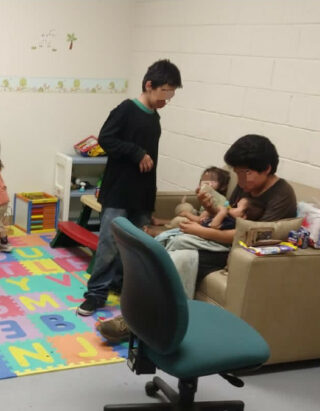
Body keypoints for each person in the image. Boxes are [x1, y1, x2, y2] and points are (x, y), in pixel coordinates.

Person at [96, 134, 297, 343]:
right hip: (214, 240)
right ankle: (139, 319)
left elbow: (248, 236)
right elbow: (226, 216)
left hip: (237, 253)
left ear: (266, 168)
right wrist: (209, 206)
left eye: (246, 172)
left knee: (174, 260)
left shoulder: (281, 195)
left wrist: (199, 231)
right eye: (237, 172)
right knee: (157, 257)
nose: (241, 179)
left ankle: (144, 324)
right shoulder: (247, 184)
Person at [77, 59, 182, 316]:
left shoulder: (155, 118)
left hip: (140, 195)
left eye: (172, 94)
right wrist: (136, 152)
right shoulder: (126, 109)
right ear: (149, 85)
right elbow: (106, 139)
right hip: (118, 191)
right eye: (165, 92)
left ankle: (121, 285)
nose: (167, 99)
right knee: (109, 243)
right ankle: (95, 293)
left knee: (136, 246)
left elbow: (152, 163)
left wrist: (150, 202)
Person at [145, 166, 231, 235]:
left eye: (212, 180)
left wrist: (187, 214)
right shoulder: (206, 195)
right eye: (203, 180)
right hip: (200, 217)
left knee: (180, 220)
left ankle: (158, 233)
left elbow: (200, 219)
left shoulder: (216, 199)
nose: (205, 183)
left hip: (204, 224)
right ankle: (161, 222)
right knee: (185, 207)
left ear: (223, 186)